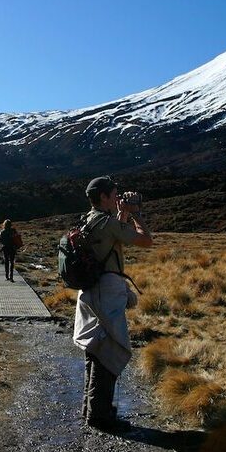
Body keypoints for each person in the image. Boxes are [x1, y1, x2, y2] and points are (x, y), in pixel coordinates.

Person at [73, 176, 153, 431]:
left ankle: (92, 408)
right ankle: (101, 416)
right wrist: (136, 214)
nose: (119, 198)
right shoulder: (106, 222)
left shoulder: (90, 219)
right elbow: (145, 240)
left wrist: (121, 214)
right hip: (106, 292)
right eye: (115, 194)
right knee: (108, 350)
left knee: (95, 348)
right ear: (104, 197)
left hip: (90, 291)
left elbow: (111, 241)